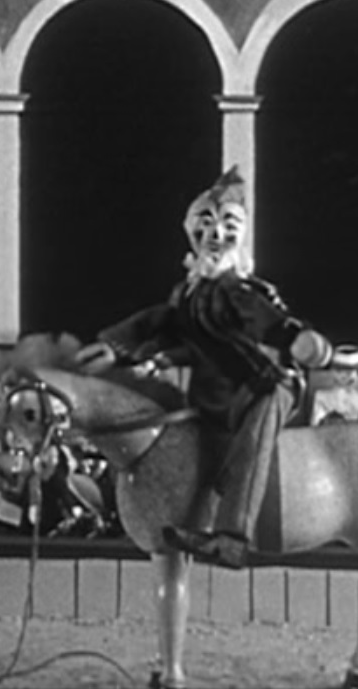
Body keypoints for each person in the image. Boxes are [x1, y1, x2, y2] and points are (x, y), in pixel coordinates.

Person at [76, 166, 332, 568]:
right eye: (206, 225)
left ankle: (232, 537)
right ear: (193, 235)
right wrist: (119, 348)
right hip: (217, 392)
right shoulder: (189, 295)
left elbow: (264, 320)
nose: (216, 235)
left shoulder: (241, 291)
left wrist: (297, 338)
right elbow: (166, 326)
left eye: (227, 226)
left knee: (253, 438)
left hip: (265, 386)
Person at [309, 344, 358, 426]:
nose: (344, 375)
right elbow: (315, 428)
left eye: (349, 371)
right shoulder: (321, 397)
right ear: (332, 371)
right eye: (339, 370)